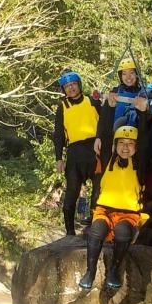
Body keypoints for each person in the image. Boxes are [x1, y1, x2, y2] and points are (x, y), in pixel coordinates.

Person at [80, 95, 149, 291]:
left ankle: (114, 270)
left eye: (130, 144)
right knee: (97, 230)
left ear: (135, 148)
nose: (125, 148)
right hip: (104, 210)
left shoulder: (139, 164)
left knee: (122, 231)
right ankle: (90, 271)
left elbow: (144, 140)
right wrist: (109, 107)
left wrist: (143, 113)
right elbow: (104, 132)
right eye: (121, 144)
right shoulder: (108, 159)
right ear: (115, 145)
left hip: (128, 214)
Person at [53, 71, 101, 236]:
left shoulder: (92, 101)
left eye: (73, 84)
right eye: (67, 86)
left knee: (97, 192)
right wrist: (59, 158)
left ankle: (95, 228)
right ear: (64, 90)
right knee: (72, 191)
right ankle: (70, 232)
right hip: (74, 152)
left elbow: (105, 123)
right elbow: (58, 134)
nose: (71, 88)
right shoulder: (62, 107)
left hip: (95, 150)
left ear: (79, 84)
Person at [108, 57, 147, 130]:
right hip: (117, 134)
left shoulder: (144, 93)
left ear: (137, 74)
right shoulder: (115, 92)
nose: (128, 77)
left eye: (131, 73)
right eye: (124, 74)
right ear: (120, 76)